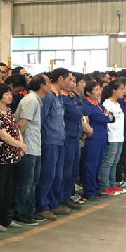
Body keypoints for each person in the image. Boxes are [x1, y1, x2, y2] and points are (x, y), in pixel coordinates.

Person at [0, 83, 26, 231]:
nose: (10, 96)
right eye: (7, 94)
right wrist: (20, 145)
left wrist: (20, 144)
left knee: (9, 188)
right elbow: (3, 135)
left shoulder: (8, 110)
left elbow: (16, 129)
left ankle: (6, 218)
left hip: (11, 154)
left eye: (10, 93)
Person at [12, 75, 48, 225]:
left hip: (34, 147)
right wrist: (20, 145)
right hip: (28, 148)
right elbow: (21, 124)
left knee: (33, 182)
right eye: (48, 83)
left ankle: (28, 211)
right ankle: (19, 212)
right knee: (25, 182)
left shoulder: (36, 100)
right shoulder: (31, 100)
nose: (50, 86)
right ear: (41, 86)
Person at [37, 68, 69, 219]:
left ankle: (54, 203)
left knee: (58, 175)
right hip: (49, 141)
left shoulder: (59, 97)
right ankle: (42, 206)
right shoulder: (49, 97)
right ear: (60, 79)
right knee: (48, 175)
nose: (70, 83)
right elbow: (41, 120)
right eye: (68, 79)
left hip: (60, 140)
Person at [56, 71, 87, 209]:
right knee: (66, 169)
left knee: (73, 170)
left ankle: (68, 195)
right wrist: (78, 105)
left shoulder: (73, 97)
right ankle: (61, 197)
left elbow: (85, 110)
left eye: (74, 81)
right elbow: (76, 112)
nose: (72, 83)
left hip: (76, 136)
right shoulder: (62, 98)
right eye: (70, 80)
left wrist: (77, 101)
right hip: (67, 137)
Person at [81, 80, 112, 200]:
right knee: (90, 166)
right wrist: (107, 115)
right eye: (96, 90)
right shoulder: (87, 105)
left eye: (100, 89)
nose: (99, 92)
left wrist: (107, 115)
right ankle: (89, 191)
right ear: (88, 93)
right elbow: (104, 118)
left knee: (98, 165)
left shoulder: (98, 104)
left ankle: (95, 188)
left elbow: (112, 117)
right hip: (92, 140)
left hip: (101, 138)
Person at [99, 79, 126, 196]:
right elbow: (107, 121)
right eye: (121, 89)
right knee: (108, 162)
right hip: (112, 137)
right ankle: (105, 186)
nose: (123, 91)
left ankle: (112, 183)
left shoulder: (118, 104)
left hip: (119, 137)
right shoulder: (107, 104)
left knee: (115, 162)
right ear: (114, 90)